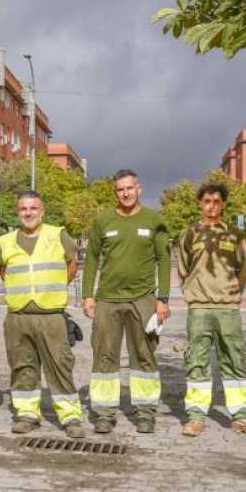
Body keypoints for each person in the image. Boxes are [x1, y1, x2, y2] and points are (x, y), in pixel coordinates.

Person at [82, 169, 171, 434]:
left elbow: (164, 260)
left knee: (144, 356)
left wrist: (162, 299)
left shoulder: (154, 219)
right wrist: (88, 295)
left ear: (139, 189)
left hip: (142, 300)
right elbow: (91, 260)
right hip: (107, 302)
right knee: (104, 358)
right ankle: (104, 414)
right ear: (115, 192)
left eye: (130, 188)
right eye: (121, 189)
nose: (126, 193)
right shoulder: (102, 221)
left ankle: (145, 413)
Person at [177, 183, 246, 438]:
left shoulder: (235, 235)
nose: (212, 205)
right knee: (197, 362)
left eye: (217, 201)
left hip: (228, 309)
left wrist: (234, 297)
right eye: (207, 201)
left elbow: (242, 271)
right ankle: (196, 416)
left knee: (234, 361)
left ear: (223, 204)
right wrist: (194, 294)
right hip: (199, 309)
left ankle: (241, 417)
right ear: (200, 203)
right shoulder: (189, 234)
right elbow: (183, 270)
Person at [0, 191, 86, 438]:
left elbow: (72, 264)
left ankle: (70, 417)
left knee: (59, 365)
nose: (28, 213)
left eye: (33, 208)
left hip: (51, 315)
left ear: (42, 211)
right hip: (18, 315)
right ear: (18, 212)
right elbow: (2, 271)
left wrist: (55, 286)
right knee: (22, 366)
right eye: (23, 209)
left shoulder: (57, 234)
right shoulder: (5, 241)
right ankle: (27, 414)